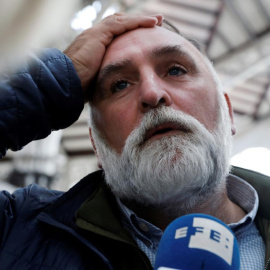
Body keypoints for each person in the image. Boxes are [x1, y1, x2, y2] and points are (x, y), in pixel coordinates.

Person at [0, 13, 269, 270]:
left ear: (228, 112)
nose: (152, 93)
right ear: (97, 145)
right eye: (119, 85)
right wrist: (51, 84)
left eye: (175, 70)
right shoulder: (16, 231)